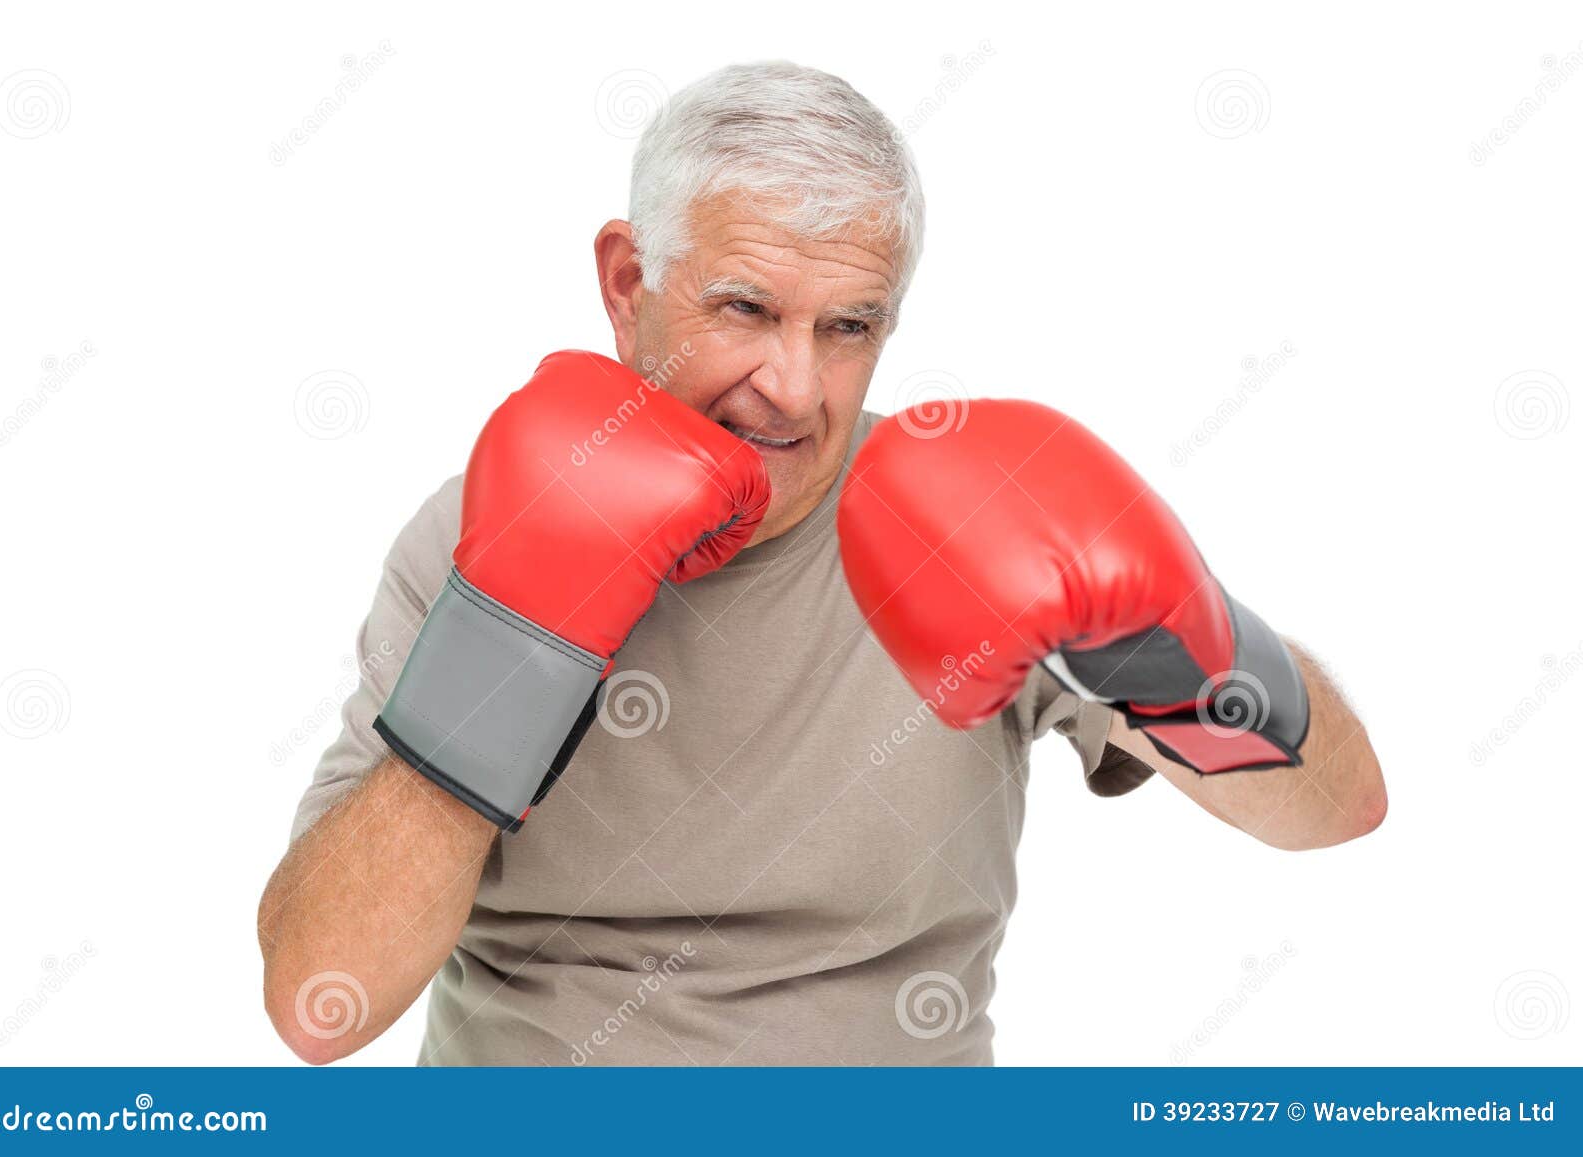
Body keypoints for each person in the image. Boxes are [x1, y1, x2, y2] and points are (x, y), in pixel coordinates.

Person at [257, 61, 1386, 1066]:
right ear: (625, 284)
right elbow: (320, 1004)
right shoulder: (481, 532)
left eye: (848, 326)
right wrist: (511, 637)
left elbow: (1332, 810)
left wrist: (1169, 633)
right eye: (744, 309)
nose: (795, 387)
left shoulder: (962, 524)